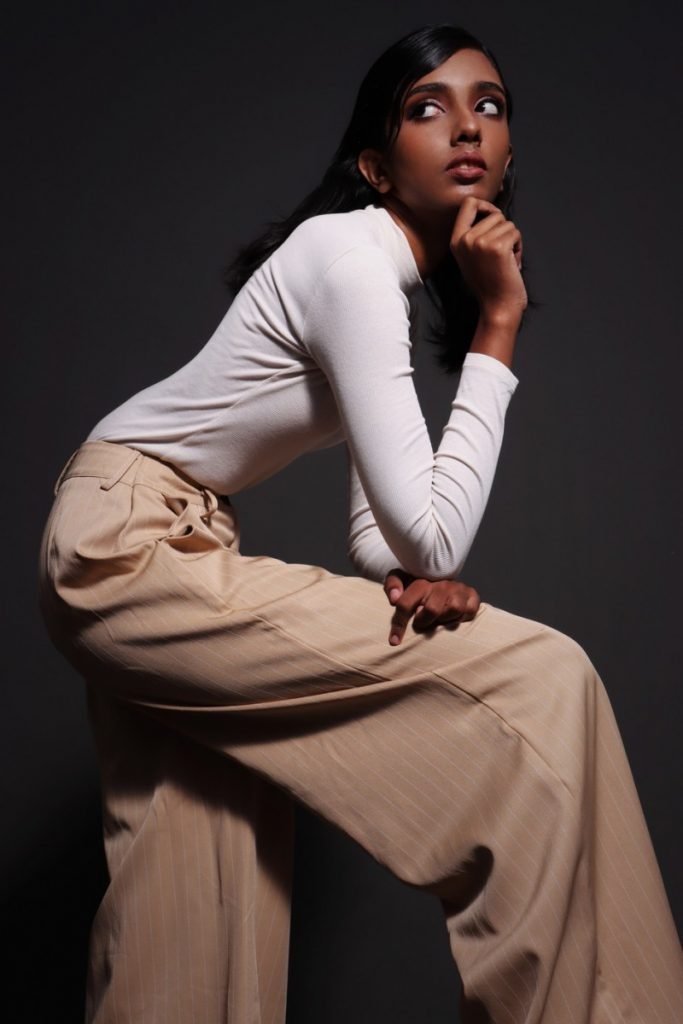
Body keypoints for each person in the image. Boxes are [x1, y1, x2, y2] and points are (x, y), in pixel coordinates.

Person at [38, 22, 682, 1024]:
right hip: (127, 544)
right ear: (376, 167)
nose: (465, 126)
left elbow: (385, 533)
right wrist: (498, 326)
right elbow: (431, 532)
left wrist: (408, 576)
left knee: (195, 881)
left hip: (153, 532)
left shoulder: (371, 280)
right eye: (427, 108)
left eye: (488, 105)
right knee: (543, 680)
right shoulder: (348, 259)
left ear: (506, 154)